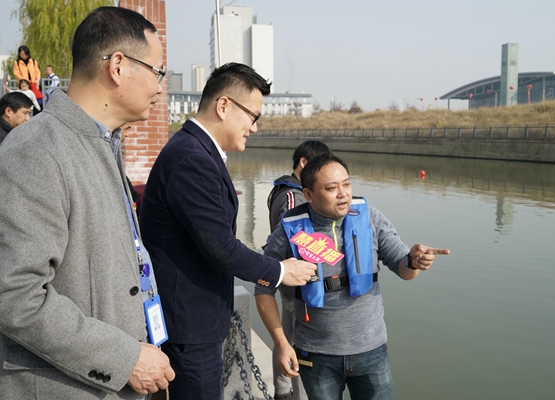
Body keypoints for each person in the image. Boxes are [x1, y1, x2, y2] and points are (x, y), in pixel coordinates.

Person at [0, 6, 175, 399]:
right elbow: (14, 294)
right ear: (118, 66)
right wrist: (124, 358)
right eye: (157, 72)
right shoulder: (35, 151)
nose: (160, 86)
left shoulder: (103, 143)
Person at [139, 62, 317, 399]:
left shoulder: (197, 151)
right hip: (190, 326)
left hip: (196, 319)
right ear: (224, 106)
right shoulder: (192, 158)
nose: (254, 127)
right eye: (253, 116)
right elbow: (220, 247)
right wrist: (280, 271)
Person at [255, 153, 450, 400]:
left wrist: (413, 261)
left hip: (371, 351)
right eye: (331, 188)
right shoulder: (289, 229)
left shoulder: (369, 218)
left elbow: (403, 269)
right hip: (316, 355)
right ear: (308, 194)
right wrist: (281, 343)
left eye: (346, 184)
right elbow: (263, 287)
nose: (343, 194)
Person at [264, 140, 331, 400]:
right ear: (304, 163)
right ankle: (292, 394)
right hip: (296, 283)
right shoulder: (294, 196)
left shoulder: (281, 189)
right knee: (300, 347)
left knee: (287, 338)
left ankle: (282, 392)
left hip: (288, 280)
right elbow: (298, 242)